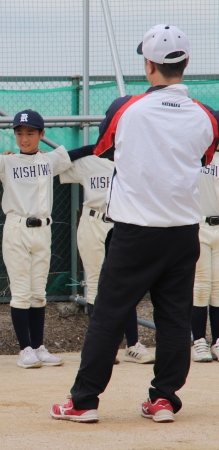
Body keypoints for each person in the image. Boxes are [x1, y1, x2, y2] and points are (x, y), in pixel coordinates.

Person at [51, 24, 219, 424]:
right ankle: (164, 399)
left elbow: (104, 150)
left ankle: (84, 401)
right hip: (183, 232)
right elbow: (204, 157)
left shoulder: (126, 109)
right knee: (174, 317)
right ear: (186, 63)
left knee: (109, 315)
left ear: (149, 65)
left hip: (135, 232)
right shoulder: (206, 116)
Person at [0, 109, 73, 369]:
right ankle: (24, 349)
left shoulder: (49, 159)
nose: (24, 138)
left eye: (30, 133)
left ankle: (38, 347)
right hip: (17, 229)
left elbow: (78, 153)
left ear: (42, 134)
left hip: (43, 229)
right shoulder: (6, 161)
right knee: (21, 292)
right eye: (19, 133)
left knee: (39, 293)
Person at [59, 154, 154, 364]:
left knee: (126, 284)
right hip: (93, 221)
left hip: (122, 223)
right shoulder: (89, 160)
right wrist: (91, 149)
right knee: (95, 283)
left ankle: (132, 345)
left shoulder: (133, 157)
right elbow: (56, 165)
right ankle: (100, 347)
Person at [190, 161, 219, 362]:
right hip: (200, 223)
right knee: (201, 285)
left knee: (217, 287)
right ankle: (199, 340)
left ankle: (217, 340)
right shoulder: (197, 152)